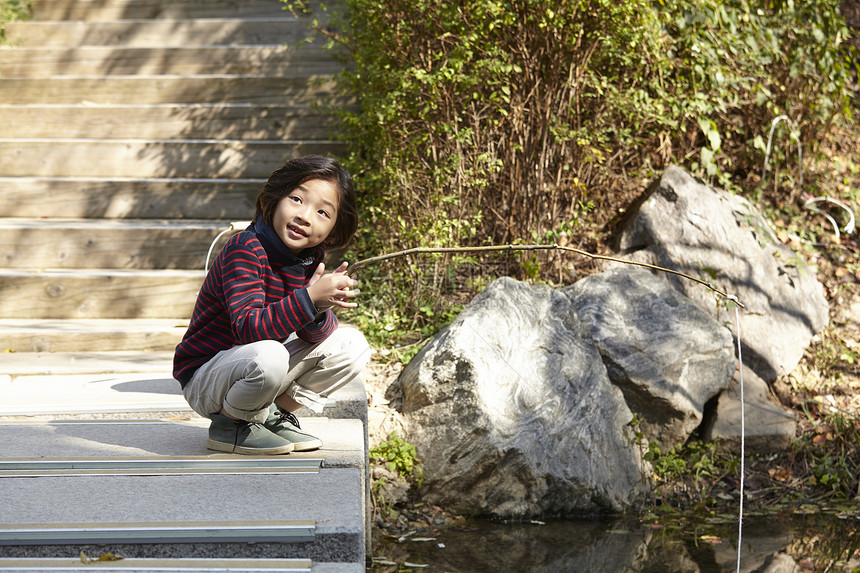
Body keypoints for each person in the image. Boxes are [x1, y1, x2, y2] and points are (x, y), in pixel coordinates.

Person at [173, 155, 371, 455]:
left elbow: (313, 335)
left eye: (322, 212)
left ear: (333, 228)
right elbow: (248, 330)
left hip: (253, 367)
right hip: (207, 376)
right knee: (271, 353)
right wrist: (309, 298)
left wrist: (317, 308)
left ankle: (271, 414)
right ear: (276, 199)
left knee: (352, 345)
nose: (305, 216)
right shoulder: (246, 249)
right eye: (296, 199)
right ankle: (231, 425)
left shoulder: (309, 258)